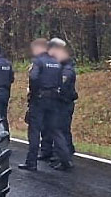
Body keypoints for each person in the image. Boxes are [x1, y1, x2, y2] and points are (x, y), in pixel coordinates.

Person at [18, 38, 72, 172]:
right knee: (55, 130)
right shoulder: (57, 63)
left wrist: (34, 92)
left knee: (34, 131)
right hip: (54, 100)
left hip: (39, 99)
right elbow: (61, 81)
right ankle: (65, 159)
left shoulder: (38, 62)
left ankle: (31, 162)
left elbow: (34, 77)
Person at [39, 39, 78, 162]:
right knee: (47, 127)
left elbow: (63, 84)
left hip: (63, 102)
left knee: (61, 128)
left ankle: (63, 156)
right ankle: (47, 151)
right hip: (51, 101)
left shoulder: (66, 67)